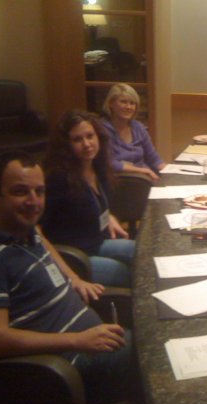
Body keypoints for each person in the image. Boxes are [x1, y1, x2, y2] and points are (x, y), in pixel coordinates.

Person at [0, 149, 136, 404]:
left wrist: (74, 279)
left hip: (93, 341)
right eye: (20, 191)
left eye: (39, 191)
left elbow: (43, 239)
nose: (34, 201)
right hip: (65, 369)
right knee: (158, 353)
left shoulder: (26, 231)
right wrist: (77, 340)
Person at [40, 110, 135, 288]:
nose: (87, 144)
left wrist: (109, 216)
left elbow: (92, 204)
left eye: (90, 136)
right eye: (77, 139)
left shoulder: (98, 167)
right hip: (73, 256)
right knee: (130, 275)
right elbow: (36, 228)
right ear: (66, 145)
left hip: (96, 242)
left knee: (144, 252)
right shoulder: (58, 178)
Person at [102, 83, 165, 181]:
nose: (128, 107)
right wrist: (142, 171)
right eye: (123, 102)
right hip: (119, 181)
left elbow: (154, 159)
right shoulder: (102, 129)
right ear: (111, 103)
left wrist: (170, 173)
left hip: (145, 179)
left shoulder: (138, 128)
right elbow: (108, 162)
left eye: (132, 103)